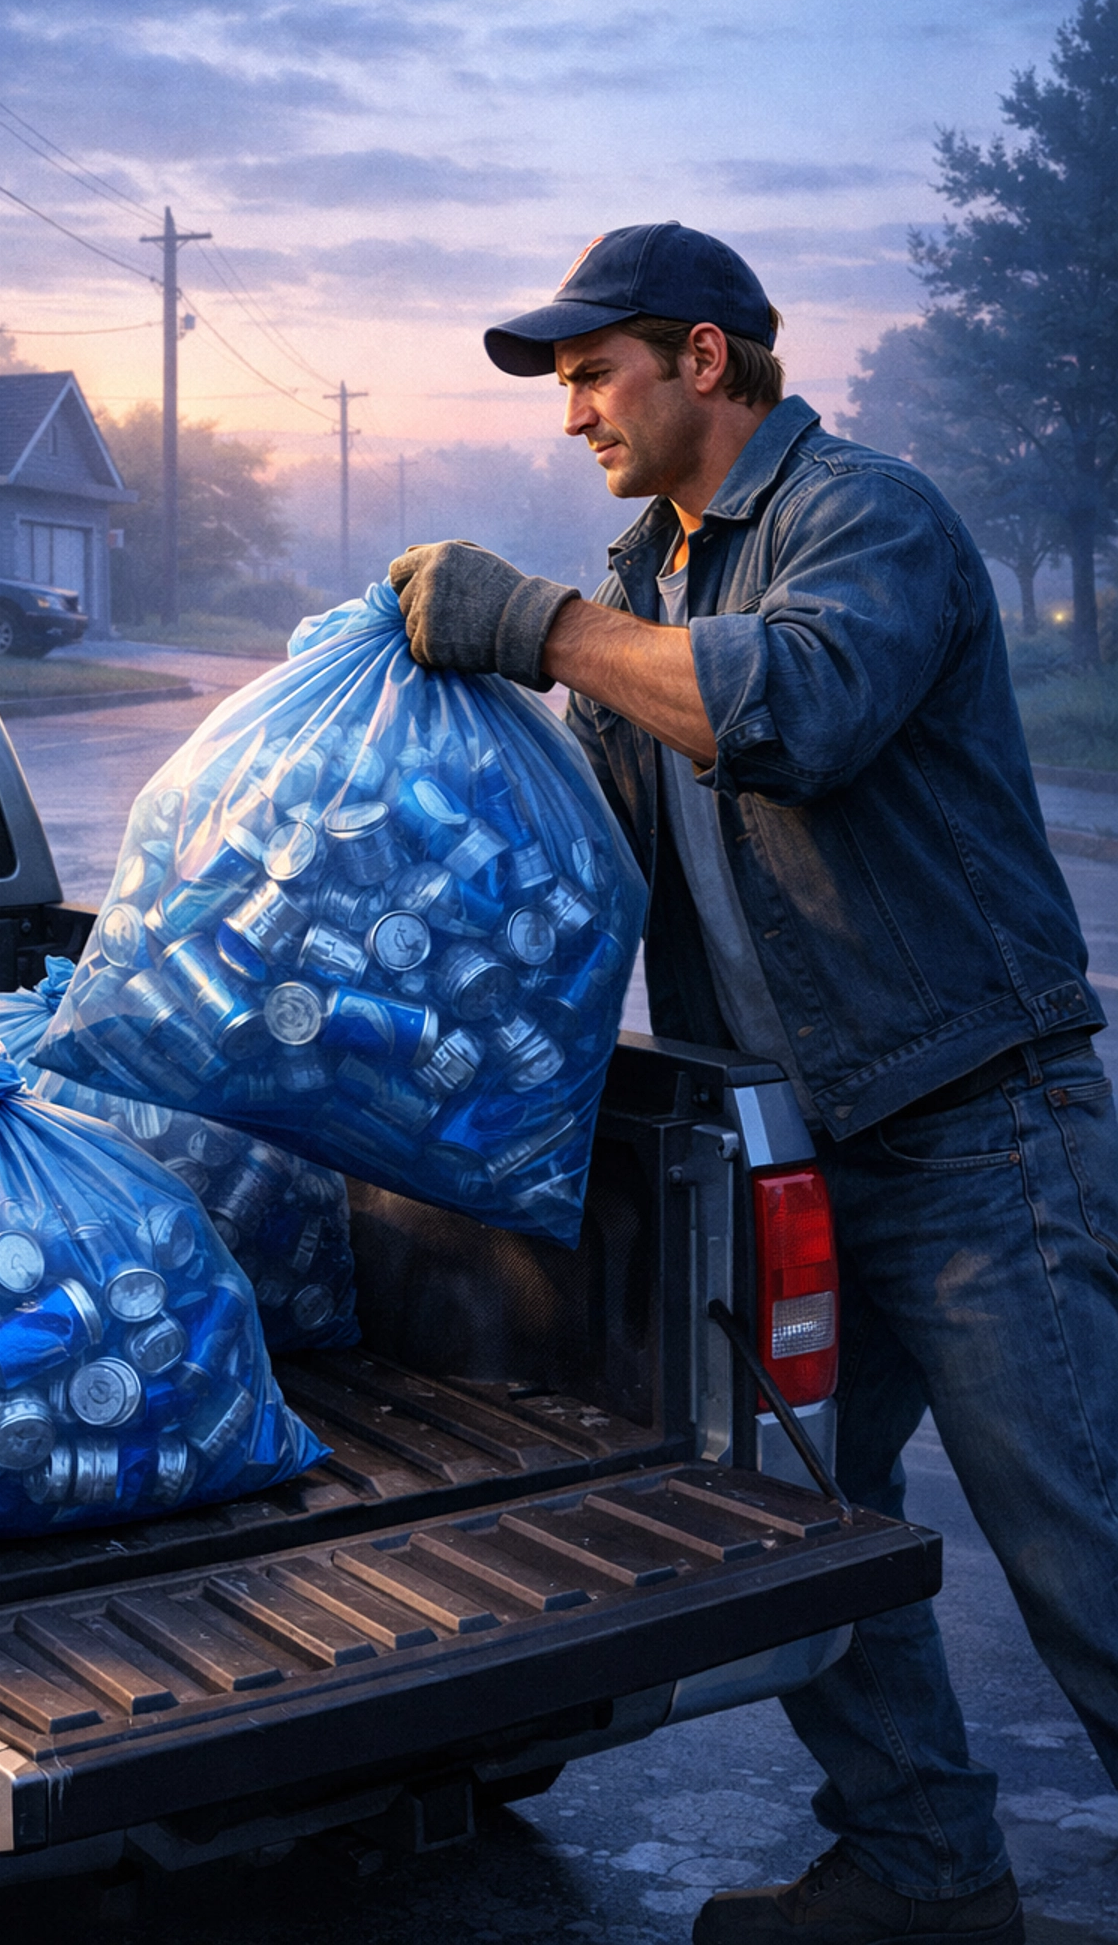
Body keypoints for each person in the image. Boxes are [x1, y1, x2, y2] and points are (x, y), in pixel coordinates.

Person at [389, 222, 1118, 1945]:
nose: (573, 412)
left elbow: (793, 707)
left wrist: (537, 623)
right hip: (790, 1155)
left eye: (592, 372)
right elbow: (596, 862)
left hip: (974, 1130)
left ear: (703, 358)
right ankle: (928, 1873)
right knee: (795, 1532)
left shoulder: (870, 518)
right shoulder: (645, 585)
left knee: (1082, 1545)